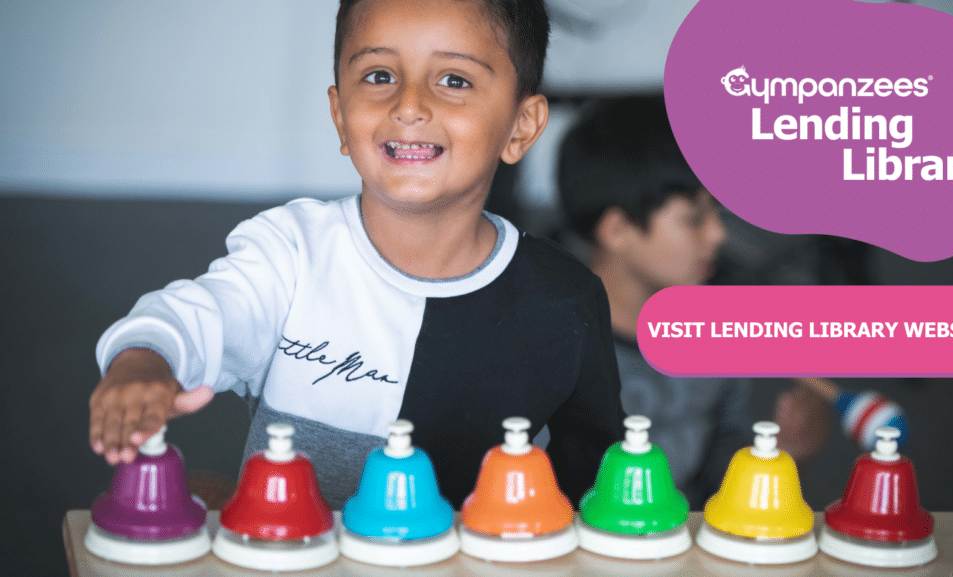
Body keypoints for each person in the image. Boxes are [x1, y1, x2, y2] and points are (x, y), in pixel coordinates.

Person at [88, 0, 624, 509]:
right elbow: (196, 316)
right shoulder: (290, 252)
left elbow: (592, 487)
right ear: (341, 114)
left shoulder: (566, 302)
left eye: (454, 80)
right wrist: (144, 361)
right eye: (379, 76)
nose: (409, 105)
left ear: (521, 126)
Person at [558, 95, 829, 507]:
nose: (718, 236)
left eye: (717, 213)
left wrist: (785, 458)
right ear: (617, 230)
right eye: (695, 218)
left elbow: (722, 476)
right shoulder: (550, 346)